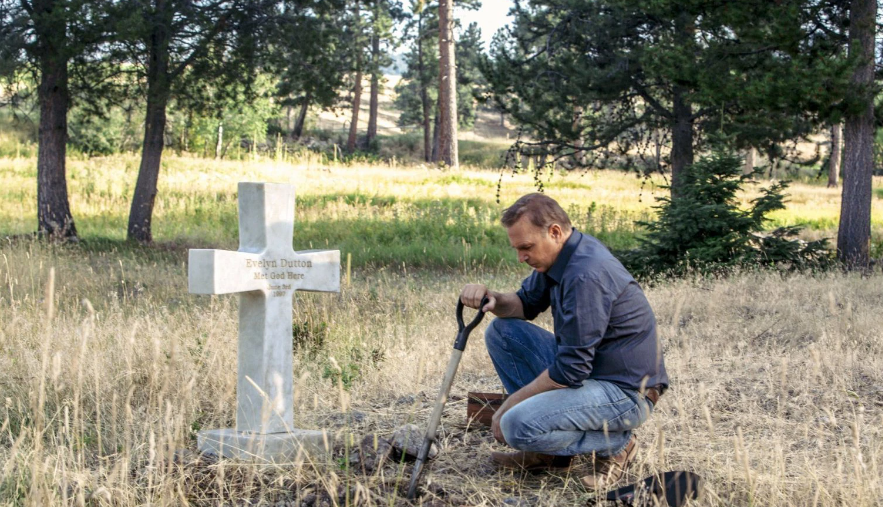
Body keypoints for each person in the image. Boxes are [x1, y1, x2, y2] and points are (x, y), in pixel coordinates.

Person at [459, 193, 668, 489]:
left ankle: (616, 443)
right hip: (591, 373)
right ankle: (552, 453)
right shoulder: (561, 255)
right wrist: (492, 298)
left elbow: (570, 370)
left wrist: (510, 405)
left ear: (554, 232)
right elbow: (524, 304)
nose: (521, 257)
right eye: (517, 249)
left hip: (626, 392)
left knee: (515, 425)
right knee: (502, 332)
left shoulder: (585, 274)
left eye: (526, 247)